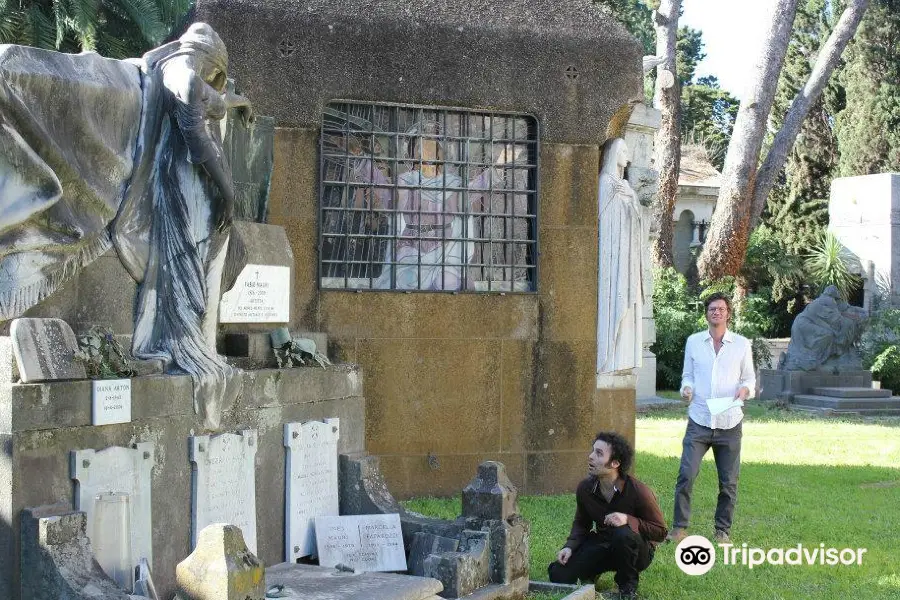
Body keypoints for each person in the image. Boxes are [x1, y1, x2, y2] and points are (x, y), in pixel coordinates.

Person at [667, 292, 755, 545]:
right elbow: (688, 376)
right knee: (686, 474)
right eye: (712, 309)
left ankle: (722, 530)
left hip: (729, 422)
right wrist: (686, 389)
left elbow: (749, 379)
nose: (716, 312)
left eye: (721, 308)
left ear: (728, 313)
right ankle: (679, 527)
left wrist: (745, 390)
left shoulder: (741, 344)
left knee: (728, 482)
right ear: (706, 313)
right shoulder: (694, 342)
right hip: (699, 420)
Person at [548, 432, 667, 599]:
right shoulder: (585, 488)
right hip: (604, 545)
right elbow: (582, 523)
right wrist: (569, 546)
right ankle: (591, 574)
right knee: (559, 575)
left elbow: (661, 531)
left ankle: (627, 589)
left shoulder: (638, 491)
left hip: (636, 551)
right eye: (592, 451)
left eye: (599, 454)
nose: (590, 457)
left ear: (615, 463)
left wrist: (628, 520)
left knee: (623, 533)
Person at [597, 138, 645, 374]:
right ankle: (608, 358)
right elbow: (601, 218)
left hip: (628, 255)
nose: (628, 156)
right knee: (614, 301)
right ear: (613, 154)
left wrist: (632, 202)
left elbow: (637, 219)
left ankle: (623, 359)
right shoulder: (605, 182)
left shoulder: (625, 186)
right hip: (613, 254)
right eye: (624, 151)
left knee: (629, 302)